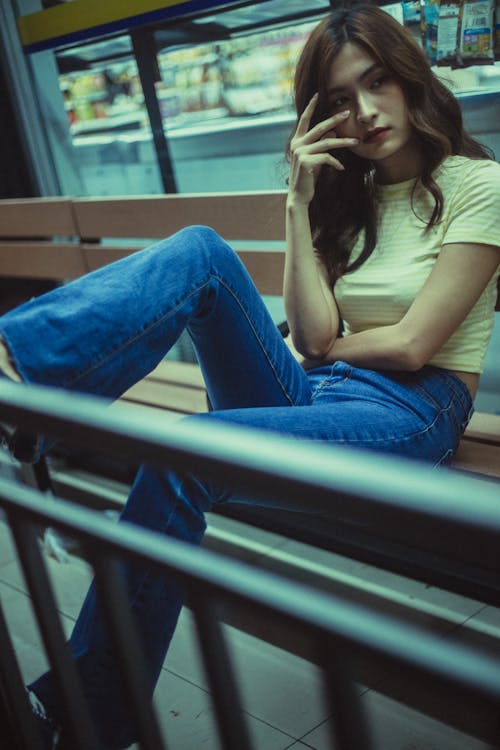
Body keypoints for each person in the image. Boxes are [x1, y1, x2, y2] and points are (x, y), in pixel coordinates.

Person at [1, 3, 499, 747]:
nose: (363, 113)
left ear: (410, 80)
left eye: (378, 83)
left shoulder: (478, 184)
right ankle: (19, 385)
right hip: (327, 395)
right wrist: (298, 204)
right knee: (202, 250)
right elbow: (309, 336)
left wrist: (330, 348)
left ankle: (82, 718)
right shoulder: (348, 197)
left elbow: (410, 348)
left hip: (414, 409)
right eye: (337, 101)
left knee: (185, 456)